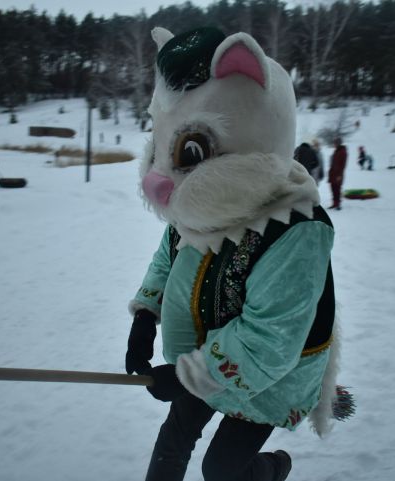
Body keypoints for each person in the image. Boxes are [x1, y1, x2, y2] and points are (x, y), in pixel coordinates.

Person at [126, 27, 346, 481]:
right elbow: (169, 254)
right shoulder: (199, 206)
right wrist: (145, 315)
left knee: (222, 470)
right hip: (204, 357)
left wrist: (188, 375)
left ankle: (273, 469)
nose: (159, 179)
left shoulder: (296, 231)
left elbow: (269, 340)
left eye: (188, 151)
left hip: (270, 378)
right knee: (173, 440)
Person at [328, 137, 347, 210]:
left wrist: (339, 175)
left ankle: (338, 204)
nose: (334, 144)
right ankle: (334, 203)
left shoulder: (343, 151)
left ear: (339, 143)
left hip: (338, 174)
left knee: (337, 189)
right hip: (333, 173)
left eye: (335, 143)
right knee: (333, 188)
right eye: (334, 143)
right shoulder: (336, 151)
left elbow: (343, 165)